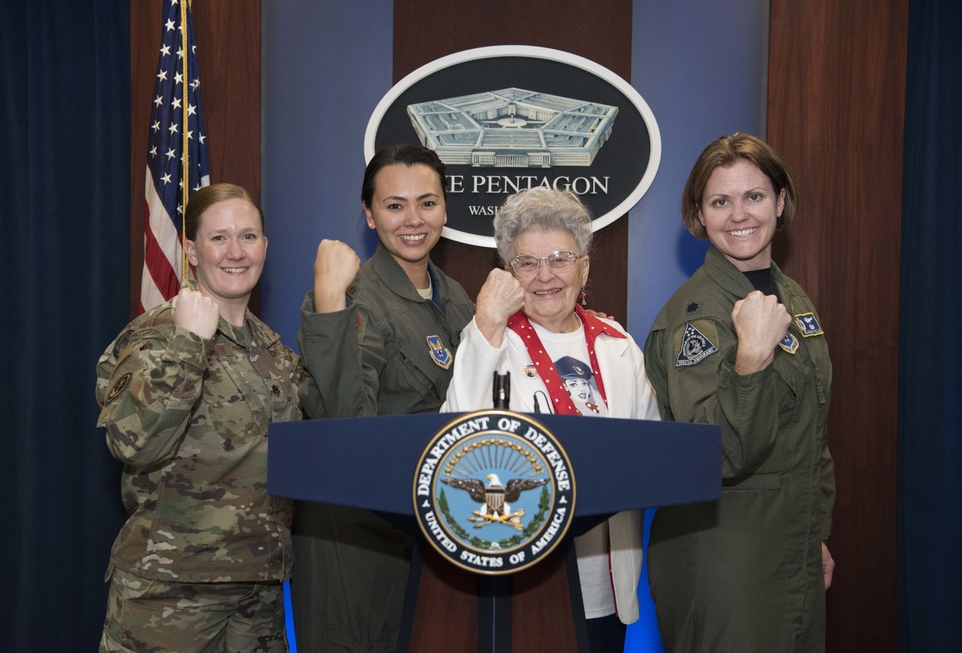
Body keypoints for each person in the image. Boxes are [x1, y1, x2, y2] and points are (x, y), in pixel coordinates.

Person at [441, 186, 662, 652]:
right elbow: (454, 440)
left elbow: (652, 452)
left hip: (607, 583)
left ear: (584, 266)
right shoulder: (489, 337)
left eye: (560, 259)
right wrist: (485, 326)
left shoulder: (617, 344)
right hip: (523, 580)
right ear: (508, 272)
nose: (545, 276)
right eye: (527, 263)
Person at [643, 133, 836, 652]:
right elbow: (717, 455)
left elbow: (812, 433)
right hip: (724, 560)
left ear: (780, 201)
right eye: (719, 202)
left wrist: (815, 533)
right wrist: (750, 359)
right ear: (700, 216)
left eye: (753, 196)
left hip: (790, 547)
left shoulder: (789, 296)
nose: (738, 215)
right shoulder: (698, 318)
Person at [95, 184, 303, 652]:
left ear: (265, 247)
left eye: (249, 237)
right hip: (172, 591)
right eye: (218, 238)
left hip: (259, 587)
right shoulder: (155, 335)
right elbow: (133, 443)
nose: (235, 252)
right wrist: (189, 346)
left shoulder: (273, 349)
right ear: (190, 250)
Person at [293, 144, 475, 652]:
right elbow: (347, 422)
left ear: (445, 209)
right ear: (370, 216)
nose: (413, 219)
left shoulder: (456, 296)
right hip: (357, 534)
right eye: (395, 206)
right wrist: (330, 302)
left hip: (428, 531)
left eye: (427, 202)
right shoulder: (351, 295)